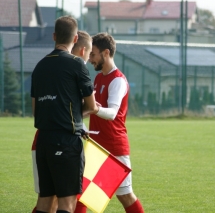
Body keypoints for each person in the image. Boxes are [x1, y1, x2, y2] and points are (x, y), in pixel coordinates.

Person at [31, 17, 99, 213]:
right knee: (67, 204)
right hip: (67, 142)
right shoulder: (77, 64)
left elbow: (36, 111)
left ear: (54, 36)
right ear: (76, 38)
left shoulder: (39, 66)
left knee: (44, 202)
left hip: (43, 141)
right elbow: (92, 106)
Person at [88, 32, 145, 213]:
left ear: (106, 53)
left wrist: (94, 108)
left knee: (126, 195)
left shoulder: (118, 80)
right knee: (83, 194)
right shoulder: (98, 78)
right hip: (97, 144)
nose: (90, 59)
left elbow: (112, 113)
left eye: (93, 54)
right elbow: (93, 108)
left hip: (113, 146)